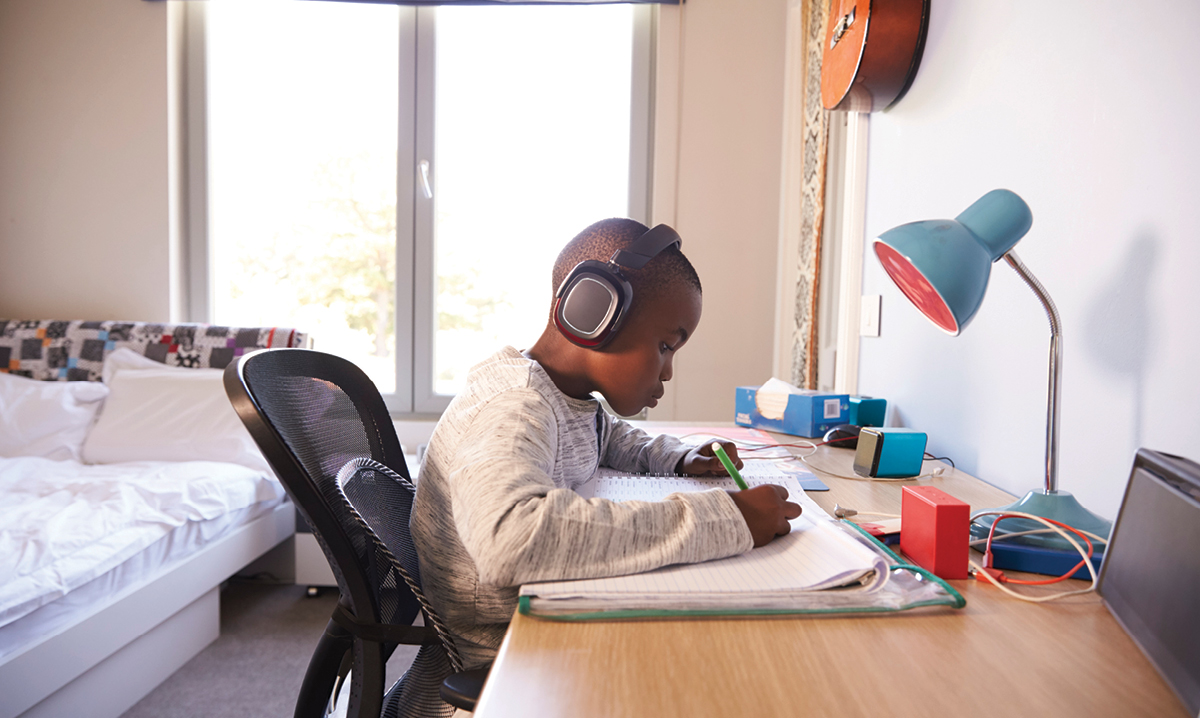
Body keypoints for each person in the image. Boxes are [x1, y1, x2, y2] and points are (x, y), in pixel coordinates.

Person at [410, 218, 801, 669]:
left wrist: (679, 458)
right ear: (594, 313)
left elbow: (605, 436)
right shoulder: (514, 405)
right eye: (665, 346)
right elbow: (511, 538)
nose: (668, 371)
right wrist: (728, 519)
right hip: (503, 673)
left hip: (548, 642)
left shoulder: (561, 398)